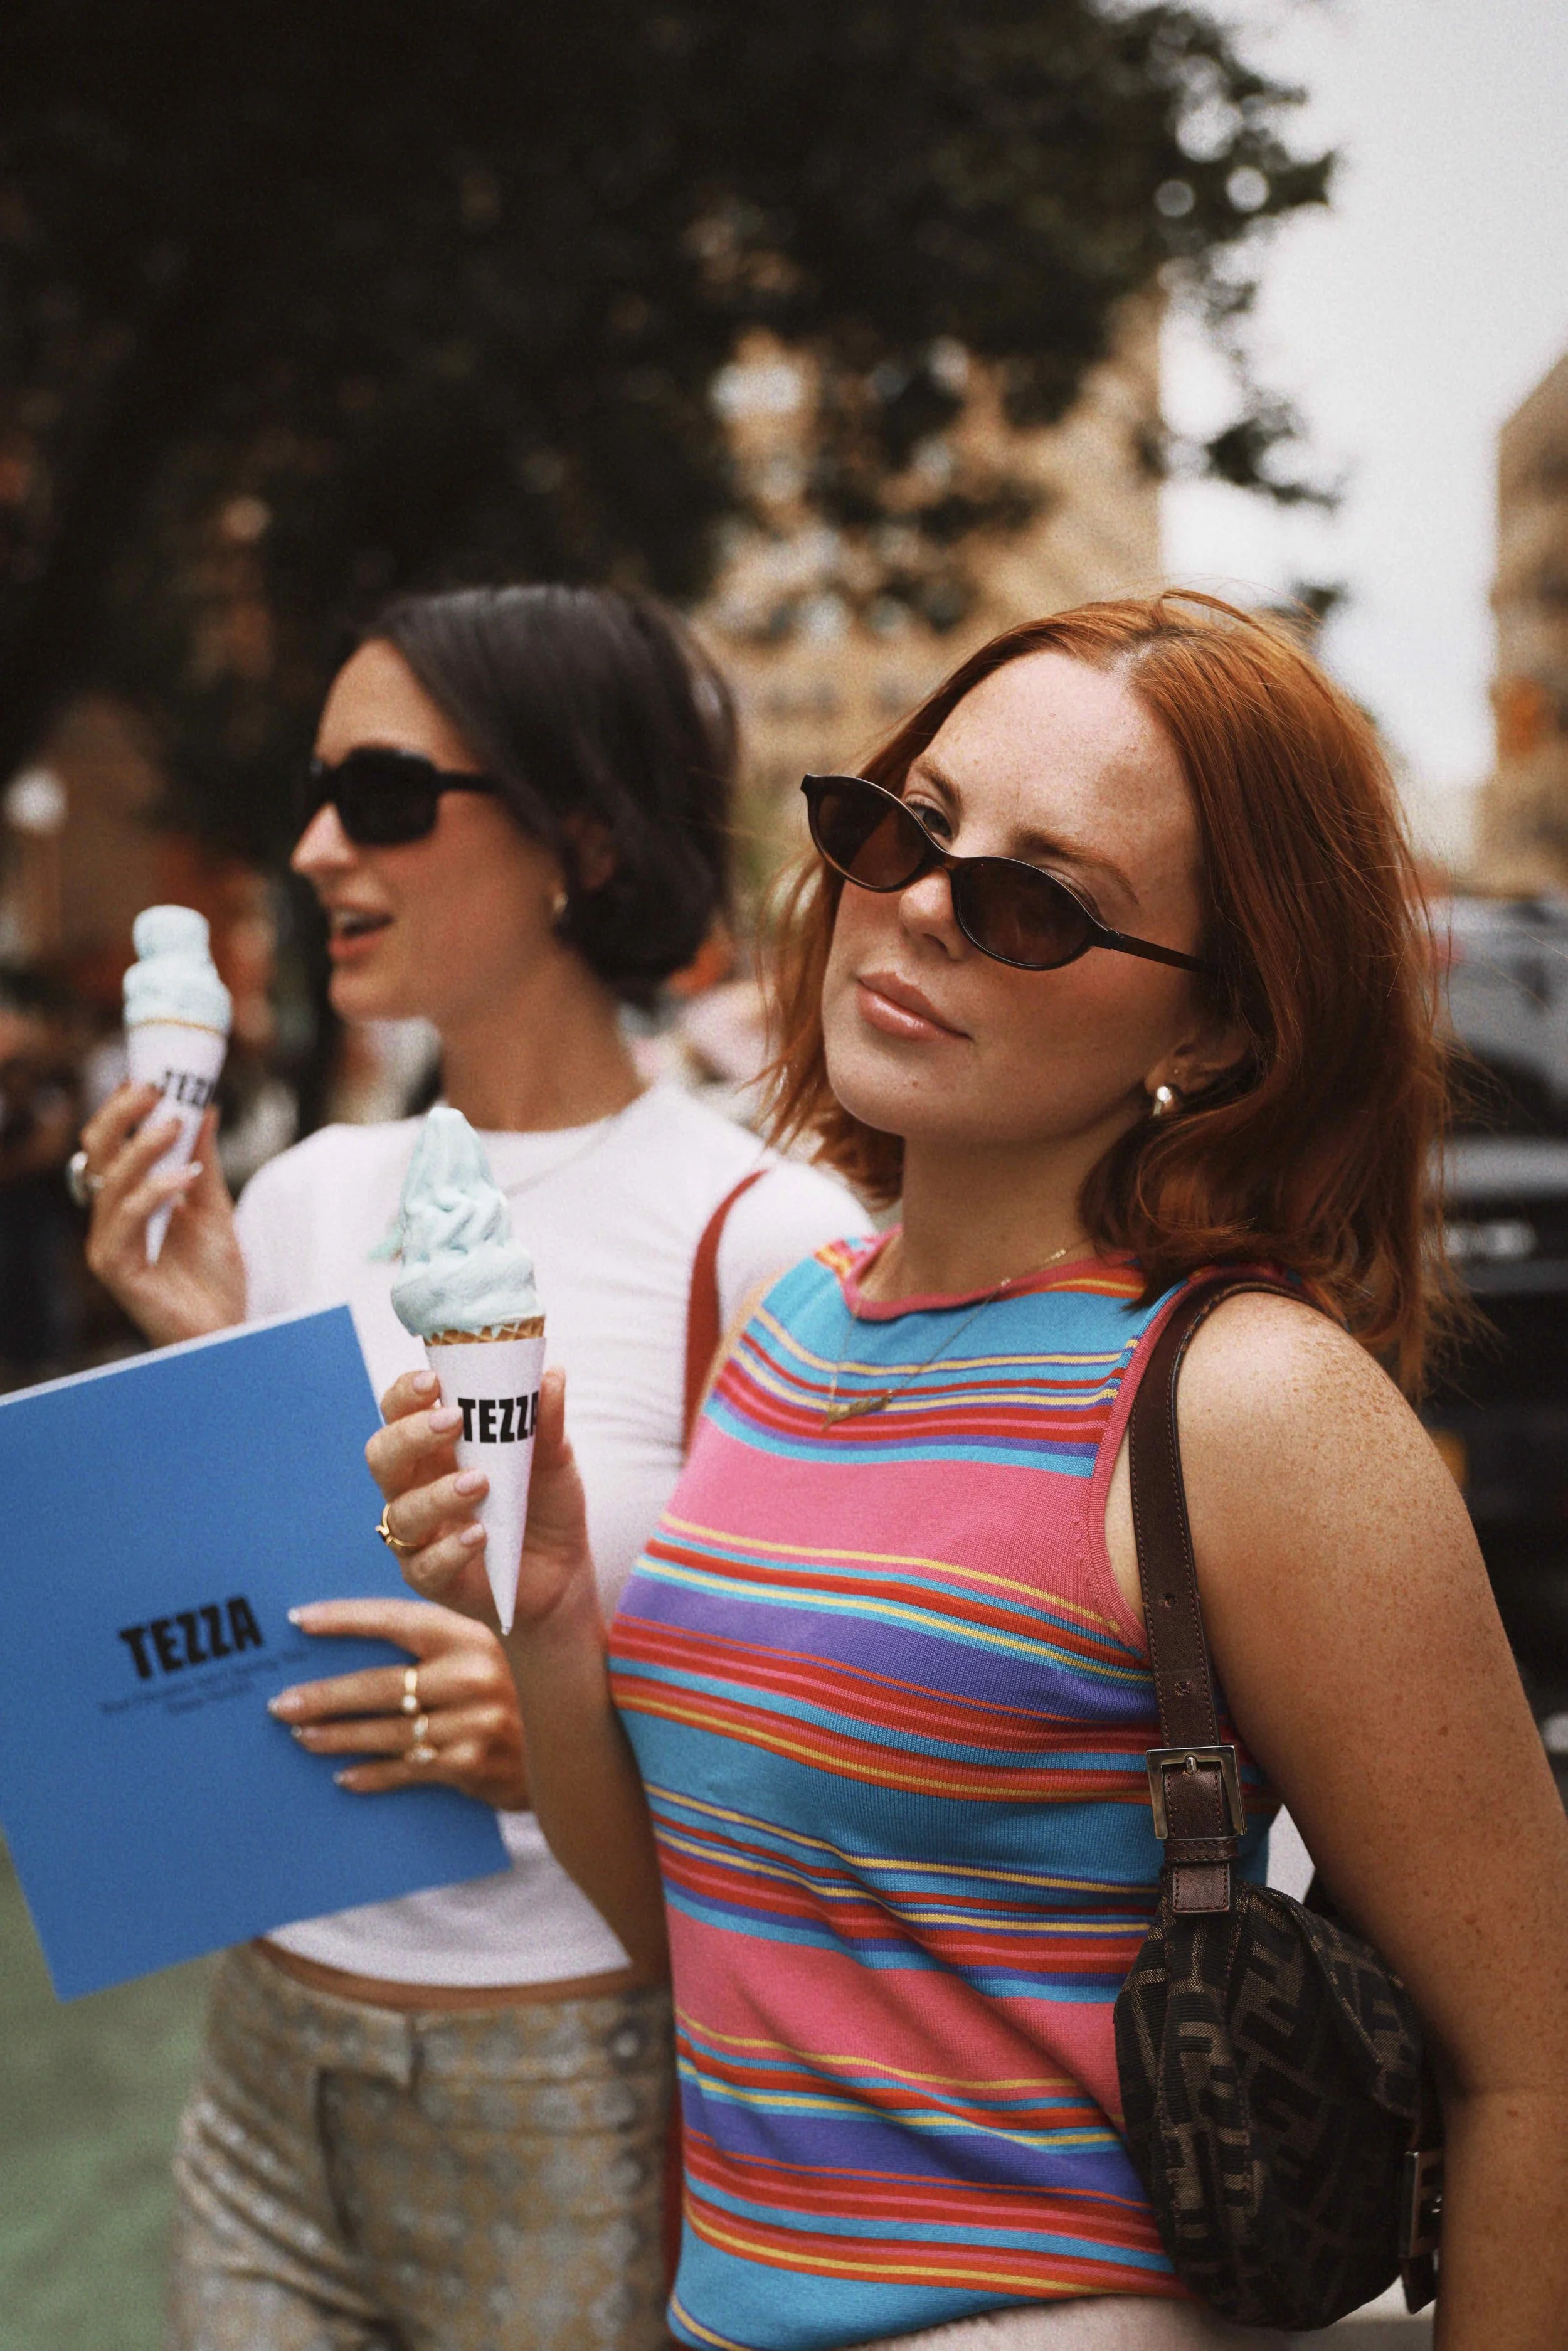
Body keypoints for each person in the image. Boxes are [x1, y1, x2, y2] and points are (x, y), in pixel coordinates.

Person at [369, 593, 1568, 2351]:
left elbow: (1530, 2070)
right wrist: (550, 1609)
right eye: (899, 823)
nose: (917, 902)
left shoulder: (1245, 1403)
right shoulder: (789, 1324)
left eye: (1031, 900)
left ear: (1214, 1032)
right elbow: (696, 1936)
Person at [77, 583, 869, 2351]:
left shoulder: (761, 1239)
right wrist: (193, 1340)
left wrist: (563, 1723)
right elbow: (242, 1640)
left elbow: (824, 1755)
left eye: (376, 793)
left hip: (567, 2086)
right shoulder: (296, 1200)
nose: (310, 849)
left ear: (577, 830)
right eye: (315, 791)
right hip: (264, 2058)